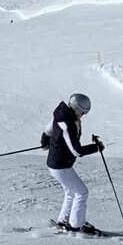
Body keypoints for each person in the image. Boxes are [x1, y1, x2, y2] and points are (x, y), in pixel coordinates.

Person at [40, 92, 103, 235]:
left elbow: (49, 128)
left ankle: (63, 221)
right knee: (82, 192)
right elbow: (76, 151)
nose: (83, 115)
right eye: (82, 112)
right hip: (60, 165)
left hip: (58, 163)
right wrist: (96, 147)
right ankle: (76, 226)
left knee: (70, 192)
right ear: (75, 108)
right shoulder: (67, 123)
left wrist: (45, 139)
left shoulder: (62, 113)